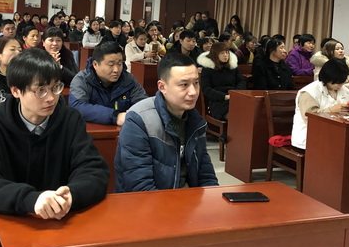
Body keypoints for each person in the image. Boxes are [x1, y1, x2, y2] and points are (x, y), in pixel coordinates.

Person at [0, 49, 109, 218]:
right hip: (10, 221)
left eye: (55, 87)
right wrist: (30, 199)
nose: (51, 98)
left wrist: (72, 195)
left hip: (63, 220)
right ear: (16, 91)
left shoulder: (70, 121)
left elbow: (94, 170)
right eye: (40, 90)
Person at [114, 53, 218, 192]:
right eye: (184, 85)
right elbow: (140, 187)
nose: (193, 92)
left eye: (196, 83)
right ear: (162, 87)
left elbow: (206, 174)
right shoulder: (139, 120)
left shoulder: (196, 121)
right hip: (151, 201)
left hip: (187, 199)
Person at [69, 41, 147, 125]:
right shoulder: (82, 80)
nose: (116, 70)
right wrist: (116, 116)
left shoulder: (128, 79)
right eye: (111, 65)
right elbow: (78, 106)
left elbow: (144, 105)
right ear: (95, 64)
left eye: (119, 64)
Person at [291, 59, 349, 150]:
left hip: (336, 135)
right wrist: (331, 110)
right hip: (309, 136)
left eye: (342, 82)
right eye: (336, 82)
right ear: (327, 78)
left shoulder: (344, 90)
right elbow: (309, 118)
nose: (339, 86)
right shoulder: (309, 92)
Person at [198, 42, 247, 120]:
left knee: (249, 111)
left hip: (235, 97)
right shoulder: (208, 69)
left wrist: (236, 93)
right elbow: (206, 89)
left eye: (227, 52)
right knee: (236, 116)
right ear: (215, 54)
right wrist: (224, 96)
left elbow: (241, 81)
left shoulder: (232, 66)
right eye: (222, 53)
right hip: (218, 101)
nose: (225, 55)